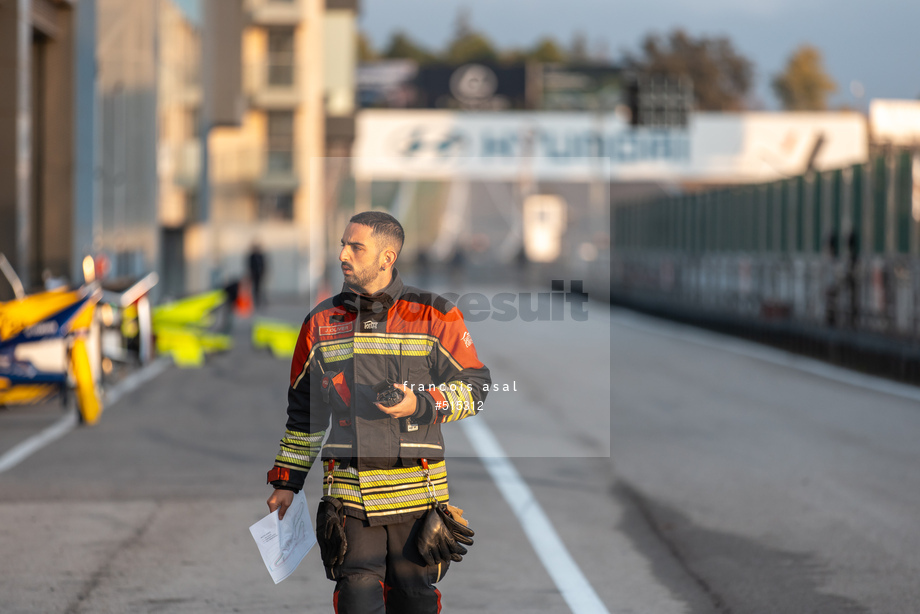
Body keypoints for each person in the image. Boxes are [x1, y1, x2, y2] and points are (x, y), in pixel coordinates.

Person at [266, 211, 491, 614]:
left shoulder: (435, 314)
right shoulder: (319, 322)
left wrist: (420, 404)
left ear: (386, 258)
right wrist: (287, 480)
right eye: (342, 244)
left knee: (415, 602)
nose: (342, 255)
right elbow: (305, 414)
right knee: (356, 598)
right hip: (349, 493)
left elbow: (475, 388)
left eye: (356, 247)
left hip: (417, 494)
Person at [247, 243, 267, 308]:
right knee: (255, 288)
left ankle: (261, 300)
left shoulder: (260, 256)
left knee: (260, 287)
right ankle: (255, 301)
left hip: (260, 274)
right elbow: (250, 265)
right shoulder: (252, 256)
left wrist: (263, 272)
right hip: (254, 274)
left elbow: (263, 264)